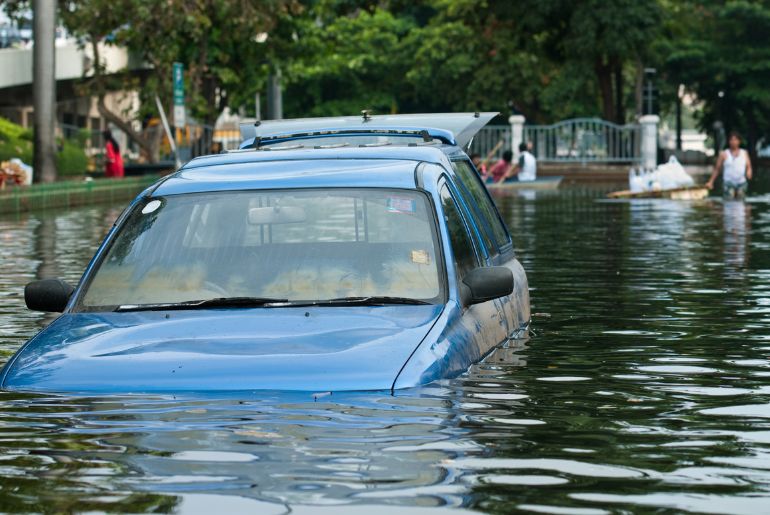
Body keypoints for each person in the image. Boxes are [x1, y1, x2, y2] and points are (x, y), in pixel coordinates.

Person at [706, 131, 752, 198]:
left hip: (741, 182)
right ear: (729, 141)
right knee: (729, 199)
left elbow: (749, 166)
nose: (733, 142)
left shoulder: (744, 153)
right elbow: (717, 169)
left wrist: (749, 173)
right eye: (731, 140)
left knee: (741, 199)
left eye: (735, 140)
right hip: (728, 183)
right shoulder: (724, 154)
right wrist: (711, 182)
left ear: (739, 141)